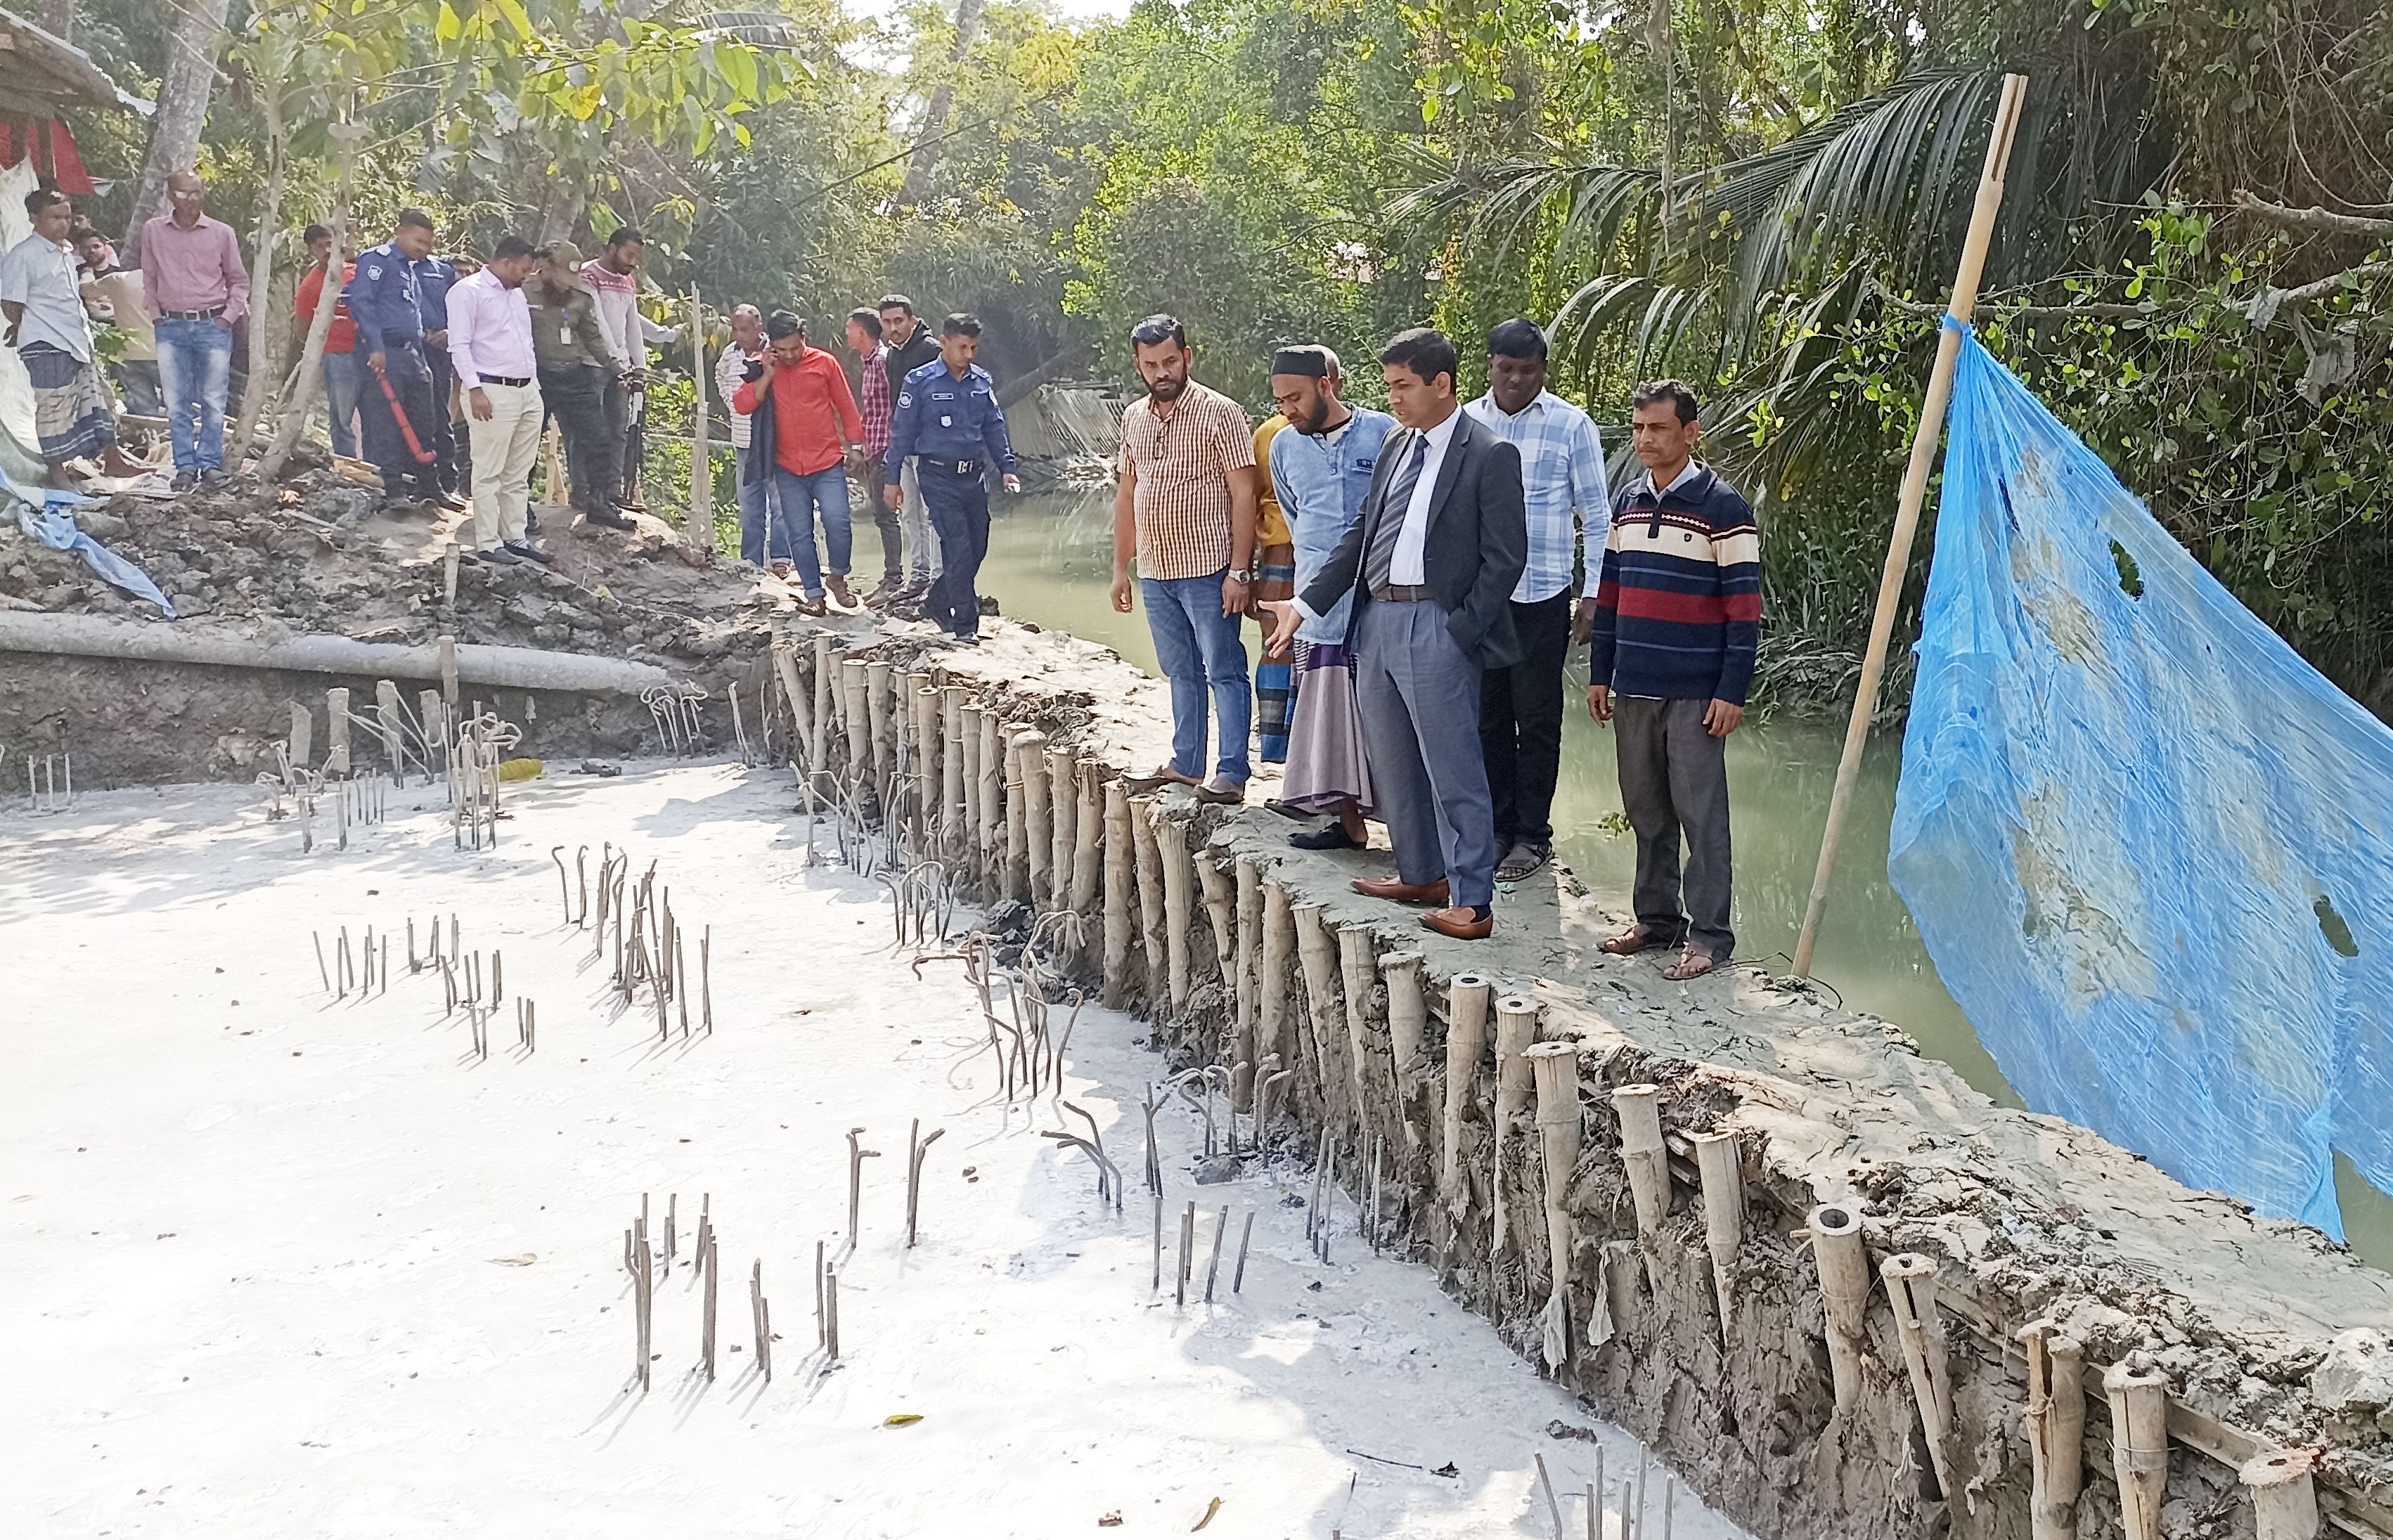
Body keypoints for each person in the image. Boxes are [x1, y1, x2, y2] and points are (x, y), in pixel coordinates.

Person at [1259, 328, 1527, 942]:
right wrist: (1306, 602)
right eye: (1390, 387)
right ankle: (1422, 872)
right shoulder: (1394, 446)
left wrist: (1458, 631)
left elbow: (1505, 560)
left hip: (1437, 623)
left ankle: (1474, 900)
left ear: (1442, 384)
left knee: (1453, 765)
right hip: (1374, 618)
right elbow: (1358, 536)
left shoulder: (1488, 454)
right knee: (1393, 757)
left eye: (1404, 386)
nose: (1396, 398)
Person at [1586, 380, 1760, 981]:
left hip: (1694, 691)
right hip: (1633, 682)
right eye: (1638, 429)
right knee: (1646, 809)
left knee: (1701, 816)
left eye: (1657, 428)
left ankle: (1710, 937)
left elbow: (1744, 611)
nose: (1644, 440)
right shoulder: (1628, 501)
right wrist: (1599, 673)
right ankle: (1657, 920)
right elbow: (1609, 596)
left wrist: (1732, 690)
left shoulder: (1724, 508)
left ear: (1690, 432)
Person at [1465, 318, 1611, 884]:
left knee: (1538, 716)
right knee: (1487, 717)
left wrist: (1595, 594)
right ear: (1490, 367)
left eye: (1529, 371)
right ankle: (1497, 828)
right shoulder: (1467, 422)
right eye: (1507, 369)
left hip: (1544, 593)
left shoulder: (1572, 425)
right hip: (1482, 599)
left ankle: (1532, 835)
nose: (1517, 381)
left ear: (1543, 371)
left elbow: (1597, 515)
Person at [1110, 314, 1257, 805]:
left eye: (1170, 360)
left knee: (1225, 667)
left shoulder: (1222, 412)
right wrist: (1120, 568)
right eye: (1151, 364)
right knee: (1180, 669)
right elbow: (1128, 492)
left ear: (1187, 357)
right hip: (1156, 568)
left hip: (1209, 566)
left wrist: (1240, 570)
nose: (1162, 371)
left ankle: (1232, 772)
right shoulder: (1133, 417)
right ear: (1139, 365)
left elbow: (1244, 494)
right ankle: (1186, 763)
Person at [1265, 344, 1397, 851]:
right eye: (1280, 400)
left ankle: (1408, 827)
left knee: (1383, 712)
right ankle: (1346, 823)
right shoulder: (1284, 446)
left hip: (1379, 601)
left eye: (1295, 397)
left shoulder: (1383, 432)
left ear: (1326, 386)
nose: (1287, 409)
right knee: (1328, 717)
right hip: (1317, 602)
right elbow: (1295, 517)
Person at [883, 312, 1020, 642]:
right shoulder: (920, 382)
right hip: (937, 477)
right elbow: (901, 433)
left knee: (977, 546)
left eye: (974, 348)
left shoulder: (981, 381)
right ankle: (965, 628)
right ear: (944, 343)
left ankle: (938, 601)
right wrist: (892, 480)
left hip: (973, 478)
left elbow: (994, 427)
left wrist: (1007, 468)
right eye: (962, 347)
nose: (968, 355)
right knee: (957, 548)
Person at [3, 189, 139, 485]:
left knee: (100, 400)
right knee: (53, 407)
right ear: (34, 218)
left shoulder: (66, 252)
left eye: (67, 217)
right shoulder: (24, 255)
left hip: (77, 340)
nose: (63, 223)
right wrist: (24, 326)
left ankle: (113, 462)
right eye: (55, 217)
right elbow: (11, 302)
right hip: (46, 344)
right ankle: (57, 472)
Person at [733, 310, 864, 612]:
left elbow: (845, 404)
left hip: (828, 460)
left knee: (839, 521)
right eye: (783, 350)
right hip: (786, 466)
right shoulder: (762, 365)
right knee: (799, 531)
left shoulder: (824, 363)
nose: (790, 355)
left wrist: (855, 446)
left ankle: (838, 577)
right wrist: (767, 374)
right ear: (773, 346)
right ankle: (814, 595)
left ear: (804, 339)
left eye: (796, 348)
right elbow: (743, 404)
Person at [138, 169, 250, 488]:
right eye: (184, 194)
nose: (191, 200)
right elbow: (149, 275)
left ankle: (210, 465)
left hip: (212, 325)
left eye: (197, 193)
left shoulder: (222, 233)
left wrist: (227, 317)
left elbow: (239, 280)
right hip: (171, 327)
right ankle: (184, 467)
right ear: (170, 195)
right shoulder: (154, 231)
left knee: (214, 401)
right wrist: (157, 314)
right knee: (176, 402)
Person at [446, 235, 548, 568]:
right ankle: (488, 541)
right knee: (489, 469)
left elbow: (525, 342)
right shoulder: (468, 292)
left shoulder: (516, 295)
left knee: (519, 471)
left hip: (527, 390)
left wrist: (533, 387)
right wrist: (474, 391)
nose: (526, 277)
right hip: (491, 389)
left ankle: (515, 536)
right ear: (505, 262)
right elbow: (459, 345)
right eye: (522, 269)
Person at [525, 241, 627, 531]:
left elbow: (593, 338)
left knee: (599, 441)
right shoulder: (522, 293)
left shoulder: (581, 296)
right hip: (537, 377)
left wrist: (617, 368)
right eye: (561, 278)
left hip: (573, 375)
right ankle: (520, 508)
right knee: (527, 445)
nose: (565, 286)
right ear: (544, 267)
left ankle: (598, 503)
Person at [345, 209, 442, 505]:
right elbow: (361, 302)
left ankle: (429, 486)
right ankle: (394, 489)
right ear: (400, 232)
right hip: (386, 353)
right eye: (418, 240)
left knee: (425, 421)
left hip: (413, 355)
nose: (423, 248)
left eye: (428, 243)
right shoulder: (378, 260)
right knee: (387, 422)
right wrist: (376, 347)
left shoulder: (409, 269)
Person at [583, 226, 676, 515]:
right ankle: (585, 490)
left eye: (638, 256)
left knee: (619, 430)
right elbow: (595, 323)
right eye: (629, 254)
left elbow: (631, 324)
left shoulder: (627, 281)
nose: (634, 261)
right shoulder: (589, 275)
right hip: (591, 364)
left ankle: (613, 490)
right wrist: (616, 361)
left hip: (620, 367)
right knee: (589, 431)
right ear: (612, 248)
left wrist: (638, 365)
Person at [878, 293, 942, 594]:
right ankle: (920, 576)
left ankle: (942, 579)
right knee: (910, 512)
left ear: (912, 320)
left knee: (934, 513)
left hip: (929, 447)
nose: (894, 328)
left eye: (899, 321)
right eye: (888, 322)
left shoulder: (930, 350)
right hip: (903, 444)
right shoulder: (893, 354)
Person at [72, 221, 160, 418]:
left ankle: (152, 441)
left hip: (128, 352)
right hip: (161, 351)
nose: (92, 251)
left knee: (145, 410)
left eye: (96, 246)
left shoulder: (117, 279)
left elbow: (85, 290)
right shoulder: (164, 280)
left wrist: (86, 275)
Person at [1250, 408, 1298, 763]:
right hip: (1280, 550)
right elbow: (1252, 501)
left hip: (1283, 551)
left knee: (1282, 648)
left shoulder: (1268, 432)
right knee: (1280, 646)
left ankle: (1281, 748)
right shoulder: (1270, 434)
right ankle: (1281, 747)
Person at [292, 224, 361, 459]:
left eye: (329, 243)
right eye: (319, 246)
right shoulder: (309, 286)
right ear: (311, 251)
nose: (326, 250)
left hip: (368, 352)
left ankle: (375, 463)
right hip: (337, 355)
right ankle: (346, 463)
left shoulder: (355, 272)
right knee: (342, 415)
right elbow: (302, 329)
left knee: (373, 413)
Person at [846, 306, 901, 595]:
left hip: (885, 447)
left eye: (850, 329)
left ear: (862, 332)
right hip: (874, 447)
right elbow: (871, 412)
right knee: (883, 514)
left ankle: (895, 578)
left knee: (886, 514)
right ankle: (892, 577)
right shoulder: (868, 362)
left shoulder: (881, 361)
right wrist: (860, 447)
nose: (846, 334)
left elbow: (893, 405)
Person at [408, 240, 467, 508]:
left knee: (439, 415)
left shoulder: (442, 271)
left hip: (438, 351)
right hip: (405, 350)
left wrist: (450, 333)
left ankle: (447, 482)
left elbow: (461, 311)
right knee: (407, 417)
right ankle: (412, 481)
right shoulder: (390, 267)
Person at [713, 303, 769, 562]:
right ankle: (752, 562)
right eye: (735, 330)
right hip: (743, 439)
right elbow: (720, 376)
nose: (739, 335)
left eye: (745, 329)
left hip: (772, 440)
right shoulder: (730, 354)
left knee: (780, 506)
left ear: (759, 326)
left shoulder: (773, 352)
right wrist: (733, 405)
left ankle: (781, 561)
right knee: (749, 507)